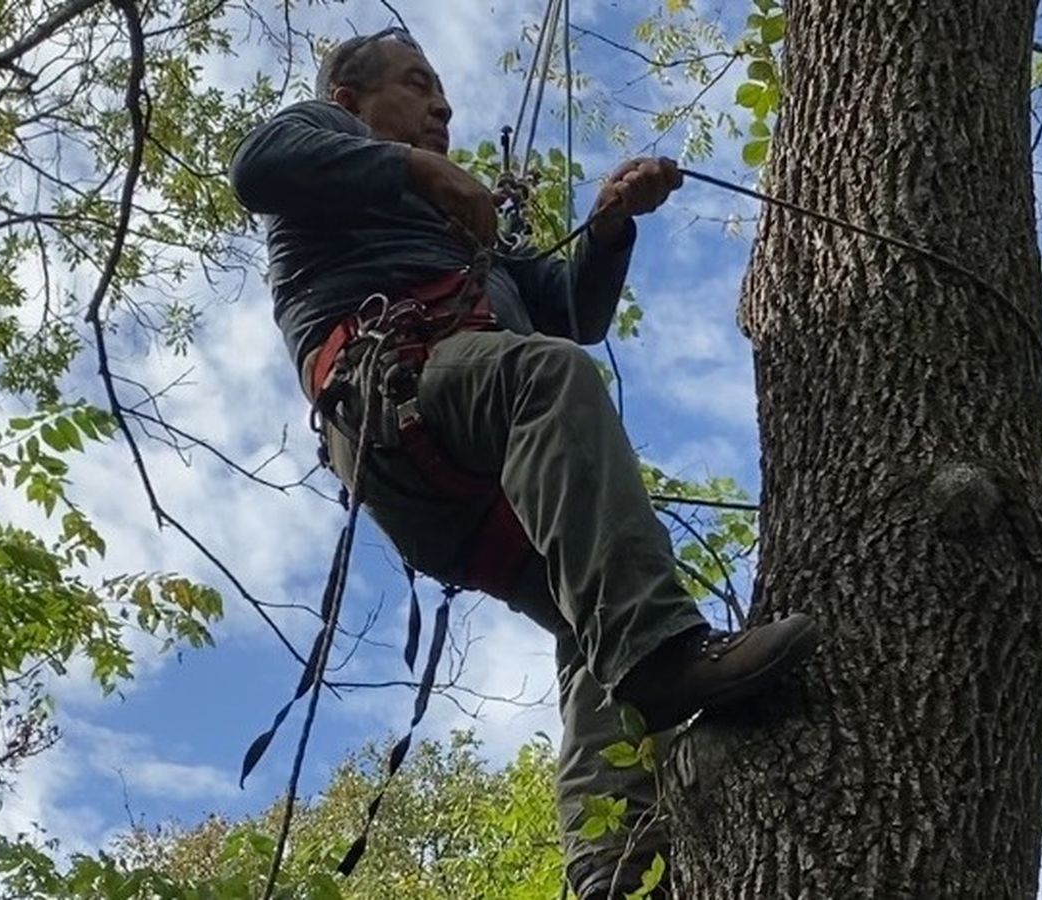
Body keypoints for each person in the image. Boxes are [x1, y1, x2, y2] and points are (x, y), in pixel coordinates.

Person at [228, 24, 818, 899]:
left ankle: (615, 859)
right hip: (398, 390)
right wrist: (421, 170)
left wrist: (609, 227)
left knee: (594, 613)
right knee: (550, 379)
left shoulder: (471, 237)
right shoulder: (323, 141)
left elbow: (572, 312)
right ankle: (663, 656)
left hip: (469, 471)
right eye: (416, 84)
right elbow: (256, 167)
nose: (441, 106)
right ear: (349, 101)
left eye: (443, 93)